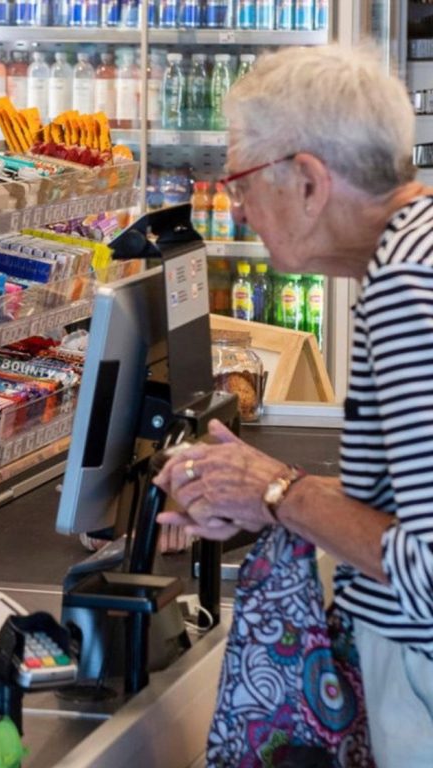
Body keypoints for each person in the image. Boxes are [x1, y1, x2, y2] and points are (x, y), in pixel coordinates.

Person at [153, 44, 433, 767]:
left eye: (242, 178)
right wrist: (265, 497)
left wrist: (279, 492)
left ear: (308, 181)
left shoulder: (406, 292)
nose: (236, 202)